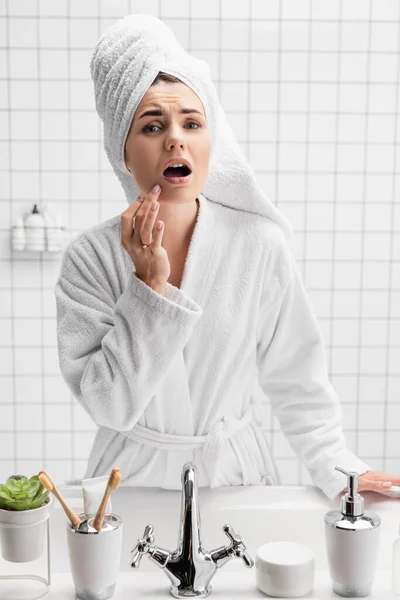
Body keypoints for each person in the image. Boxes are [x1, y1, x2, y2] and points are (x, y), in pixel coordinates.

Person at [55, 14, 399, 500]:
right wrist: (148, 288)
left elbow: (296, 376)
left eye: (192, 123)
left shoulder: (258, 244)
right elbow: (108, 406)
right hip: (129, 482)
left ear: (209, 141)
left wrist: (337, 467)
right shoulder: (89, 259)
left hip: (232, 480)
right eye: (152, 125)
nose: (176, 137)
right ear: (123, 153)